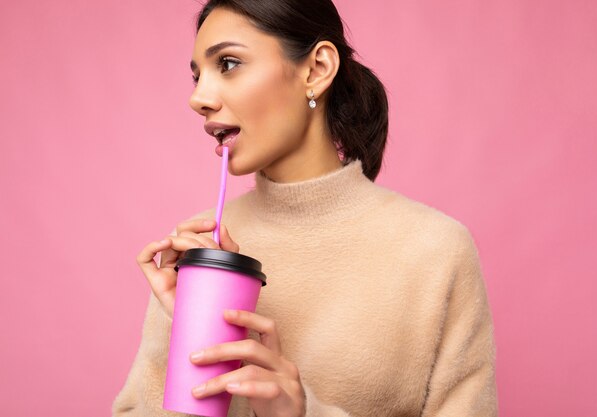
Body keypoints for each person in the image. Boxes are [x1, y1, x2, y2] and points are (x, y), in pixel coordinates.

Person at [111, 0, 498, 416]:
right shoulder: (201, 252)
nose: (198, 98)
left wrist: (302, 413)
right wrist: (190, 328)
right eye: (196, 75)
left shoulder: (435, 250)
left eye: (227, 63)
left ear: (316, 71)